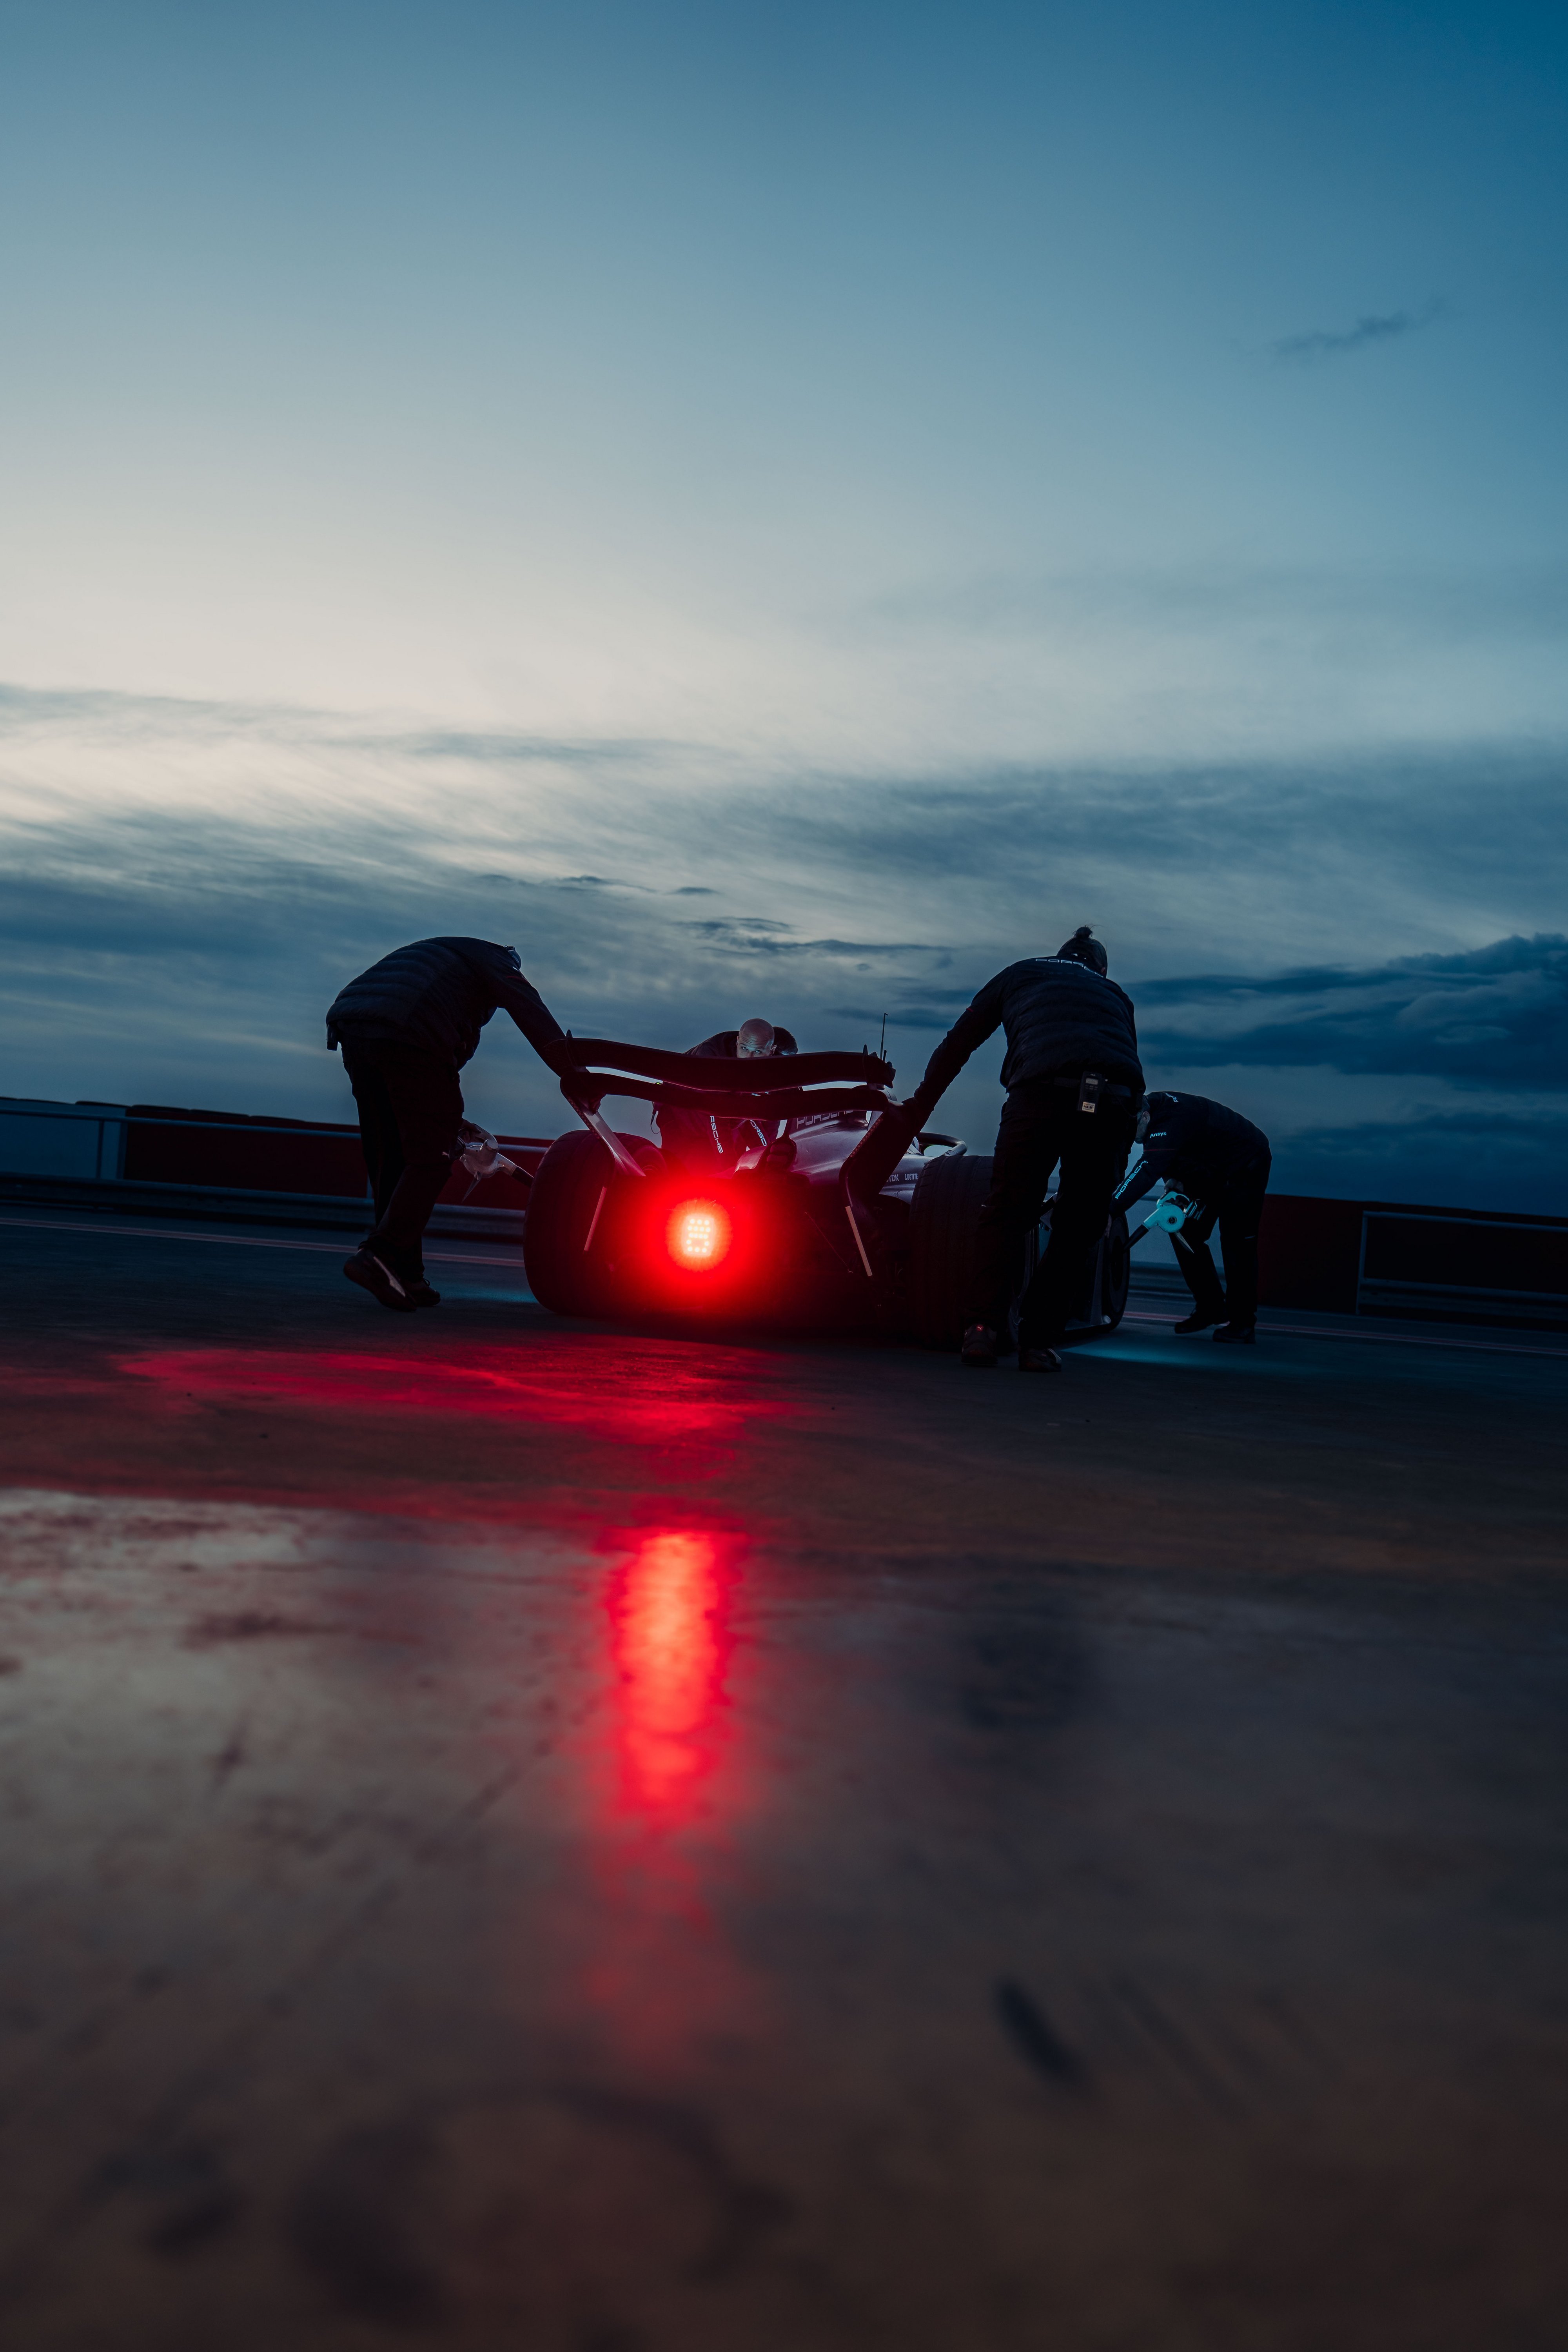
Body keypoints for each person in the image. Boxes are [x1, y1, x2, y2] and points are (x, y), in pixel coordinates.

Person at [902, 926, 1142, 1374]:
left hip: (1040, 1093)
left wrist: (919, 1105)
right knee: (1080, 1226)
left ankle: (981, 1330)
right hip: (1111, 1101)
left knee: (1008, 1212)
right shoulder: (1114, 994)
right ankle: (1038, 1343)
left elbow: (961, 1040)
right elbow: (1130, 1061)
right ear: (1101, 968)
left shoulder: (1022, 973)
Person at [326, 936, 572, 1313]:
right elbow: (529, 1007)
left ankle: (405, 1274)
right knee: (432, 1158)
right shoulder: (495, 960)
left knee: (392, 1157)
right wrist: (573, 1073)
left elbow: (426, 1088)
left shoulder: (442, 964)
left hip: (356, 1027)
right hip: (409, 1030)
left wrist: (449, 1120)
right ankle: (381, 1254)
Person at [1116, 1091, 1271, 1344]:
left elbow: (1147, 1169)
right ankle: (1212, 1307)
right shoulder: (1153, 1118)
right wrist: (1173, 1182)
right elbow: (1167, 1155)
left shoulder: (1171, 1119)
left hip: (1247, 1166)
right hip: (1212, 1168)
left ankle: (1243, 1323)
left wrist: (1110, 1211)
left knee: (1237, 1243)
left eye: (1131, 1131)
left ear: (1145, 1117)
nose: (1131, 1139)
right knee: (1182, 1230)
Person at [656, 1017, 799, 1173]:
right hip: (678, 1110)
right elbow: (717, 1117)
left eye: (758, 1052)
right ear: (738, 1043)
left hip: (727, 1113)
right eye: (744, 1049)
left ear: (771, 1051)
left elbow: (768, 1115)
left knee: (740, 1157)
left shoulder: (775, 1067)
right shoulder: (712, 1058)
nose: (749, 1059)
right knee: (680, 1168)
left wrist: (770, 1159)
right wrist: (731, 1168)